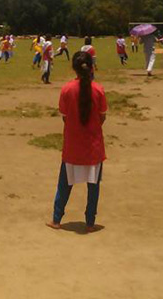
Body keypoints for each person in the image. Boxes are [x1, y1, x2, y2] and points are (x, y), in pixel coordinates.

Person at [46, 51, 107, 233]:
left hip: (73, 144)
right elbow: (102, 116)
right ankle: (90, 222)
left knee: (65, 184)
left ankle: (57, 219)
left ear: (73, 67)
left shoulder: (67, 89)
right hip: (93, 145)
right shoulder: (98, 90)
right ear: (92, 67)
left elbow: (65, 117)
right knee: (93, 186)